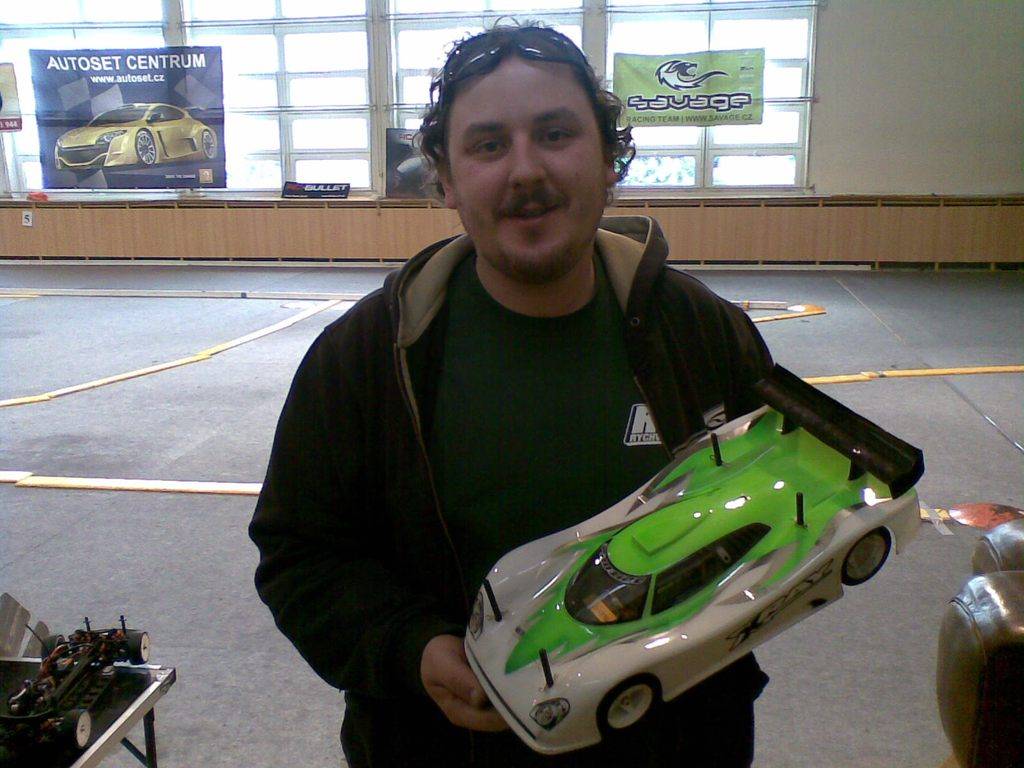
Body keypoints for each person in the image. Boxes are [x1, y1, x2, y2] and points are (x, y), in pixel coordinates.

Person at [250, 22, 773, 768]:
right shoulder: (367, 356)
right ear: (447, 178)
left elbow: (774, 509)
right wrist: (413, 648)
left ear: (610, 158)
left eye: (555, 134)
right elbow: (301, 554)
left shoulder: (699, 331)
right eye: (489, 145)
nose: (525, 170)